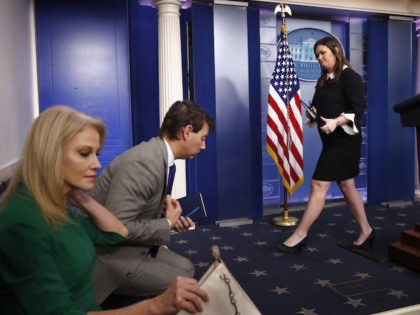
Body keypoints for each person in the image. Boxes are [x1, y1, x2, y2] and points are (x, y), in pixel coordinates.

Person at [0, 105, 209, 315]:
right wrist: (154, 307)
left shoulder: (59, 207)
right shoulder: (23, 223)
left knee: (186, 272)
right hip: (111, 259)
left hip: (102, 275)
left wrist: (79, 196)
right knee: (182, 282)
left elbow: (117, 231)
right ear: (49, 154)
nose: (97, 164)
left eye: (96, 153)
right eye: (84, 153)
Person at [89, 100, 215, 304]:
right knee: (183, 283)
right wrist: (166, 224)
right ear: (187, 131)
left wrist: (171, 220)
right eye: (202, 138)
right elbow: (116, 228)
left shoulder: (159, 156)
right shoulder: (145, 164)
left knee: (187, 268)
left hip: (127, 246)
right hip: (107, 255)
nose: (203, 146)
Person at [279, 36, 374, 253]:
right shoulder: (324, 80)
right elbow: (319, 109)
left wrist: (336, 121)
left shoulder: (351, 77)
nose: (319, 58)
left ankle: (300, 234)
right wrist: (312, 114)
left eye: (323, 53)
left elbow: (358, 109)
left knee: (318, 184)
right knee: (346, 185)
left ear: (336, 52)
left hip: (346, 141)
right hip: (330, 142)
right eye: (317, 55)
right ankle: (367, 230)